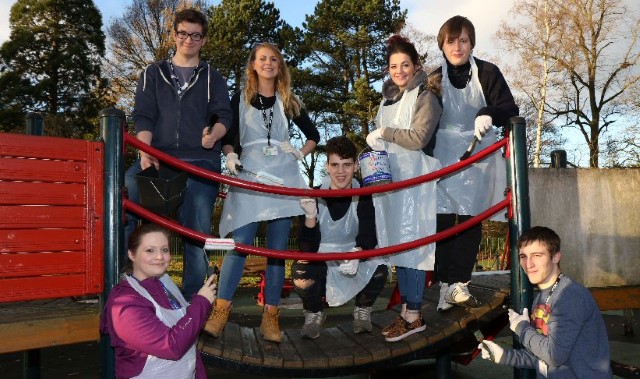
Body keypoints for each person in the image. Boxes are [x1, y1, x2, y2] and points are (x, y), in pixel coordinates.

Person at [205, 42, 320, 343]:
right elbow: (228, 138)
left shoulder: (288, 99)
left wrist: (298, 154)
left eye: (273, 59)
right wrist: (230, 155)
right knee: (240, 243)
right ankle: (221, 310)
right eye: (262, 59)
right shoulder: (239, 99)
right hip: (251, 174)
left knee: (277, 249)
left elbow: (313, 136)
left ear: (279, 65)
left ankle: (271, 316)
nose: (268, 63)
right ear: (253, 65)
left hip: (283, 176)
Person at [124, 8, 232, 302]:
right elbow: (143, 117)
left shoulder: (213, 78)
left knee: (197, 224)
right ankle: (130, 282)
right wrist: (144, 152)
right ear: (174, 35)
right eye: (183, 33)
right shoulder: (152, 74)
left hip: (200, 162)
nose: (188, 40)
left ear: (203, 40)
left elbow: (224, 116)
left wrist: (214, 135)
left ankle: (193, 300)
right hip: (159, 158)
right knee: (128, 191)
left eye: (195, 35)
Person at [431, 15, 519, 311]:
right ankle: (443, 283)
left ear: (472, 43)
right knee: (441, 217)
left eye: (464, 40)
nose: (458, 46)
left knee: (470, 216)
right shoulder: (433, 78)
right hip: (443, 154)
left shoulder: (488, 72)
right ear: (442, 45)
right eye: (451, 41)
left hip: (478, 153)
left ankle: (459, 282)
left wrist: (489, 113)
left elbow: (510, 108)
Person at [365, 34, 442, 342]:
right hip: (391, 184)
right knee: (400, 247)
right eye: (393, 66)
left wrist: (383, 131)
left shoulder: (426, 96)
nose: (399, 71)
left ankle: (414, 313)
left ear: (416, 66)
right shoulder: (387, 100)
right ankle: (408, 311)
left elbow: (418, 137)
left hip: (416, 182)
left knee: (415, 247)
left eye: (405, 65)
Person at [479, 226, 612, 378]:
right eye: (523, 256)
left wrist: (522, 328)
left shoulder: (570, 295)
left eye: (537, 255)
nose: (529, 264)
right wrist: (503, 355)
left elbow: (554, 355)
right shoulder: (541, 298)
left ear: (555, 257)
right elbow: (540, 355)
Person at [292, 136, 389, 339]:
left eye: (346, 165)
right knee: (301, 269)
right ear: (327, 166)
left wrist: (358, 254)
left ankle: (363, 310)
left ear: (355, 166)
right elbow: (307, 248)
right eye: (335, 165)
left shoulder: (363, 194)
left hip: (351, 256)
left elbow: (369, 234)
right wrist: (310, 218)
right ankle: (313, 313)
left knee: (380, 266)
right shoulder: (315, 195)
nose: (341, 172)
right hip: (321, 258)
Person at [101, 223, 217, 379]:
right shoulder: (123, 302)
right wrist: (201, 302)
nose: (160, 256)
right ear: (132, 255)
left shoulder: (166, 284)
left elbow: (190, 346)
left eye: (164, 249)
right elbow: (172, 346)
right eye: (150, 250)